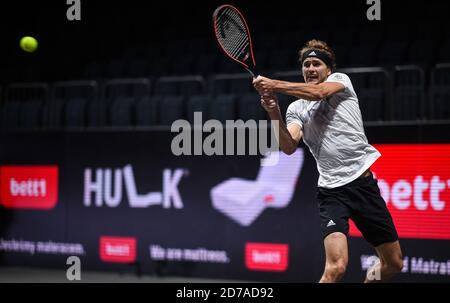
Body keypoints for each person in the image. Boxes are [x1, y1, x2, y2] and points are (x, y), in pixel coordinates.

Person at [253, 39, 403, 283]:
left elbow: (319, 92)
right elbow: (289, 146)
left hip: (363, 187)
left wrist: (274, 84)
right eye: (306, 64)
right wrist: (273, 112)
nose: (310, 68)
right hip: (332, 192)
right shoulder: (296, 108)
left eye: (316, 64)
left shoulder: (341, 81)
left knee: (393, 263)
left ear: (328, 70)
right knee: (336, 268)